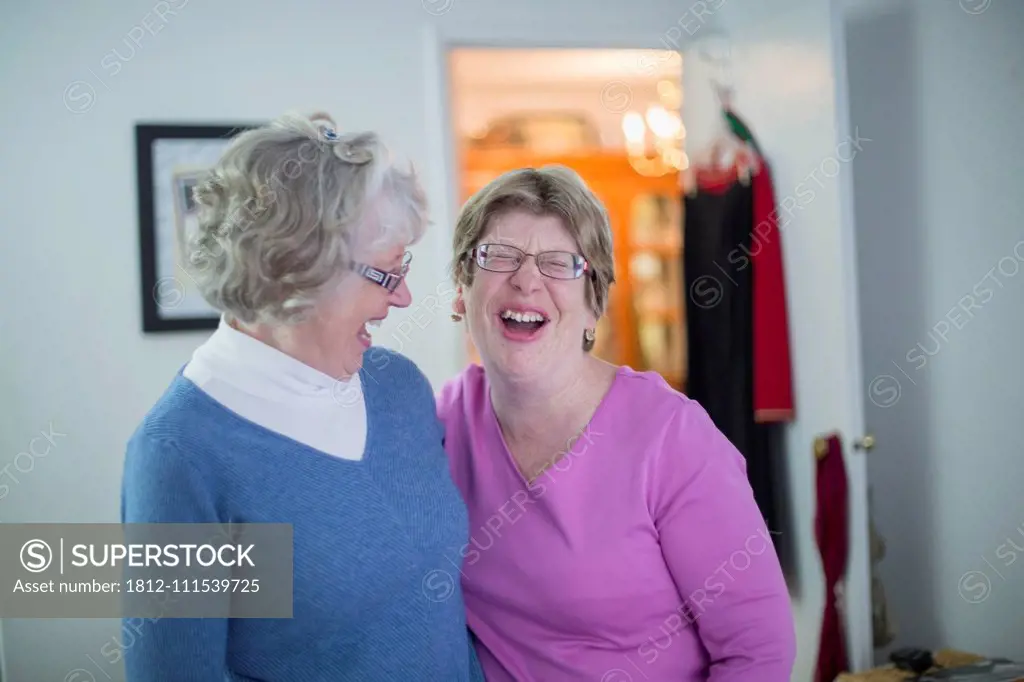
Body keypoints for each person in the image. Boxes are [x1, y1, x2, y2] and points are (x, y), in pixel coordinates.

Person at [121, 111, 483, 681]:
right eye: (386, 274)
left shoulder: (398, 387)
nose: (406, 296)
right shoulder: (180, 455)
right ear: (300, 272)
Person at [436, 165, 796, 681]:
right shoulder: (435, 424)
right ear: (461, 290)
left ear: (594, 305)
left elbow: (759, 651)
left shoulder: (673, 439)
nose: (526, 279)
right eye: (499, 256)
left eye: (559, 263)